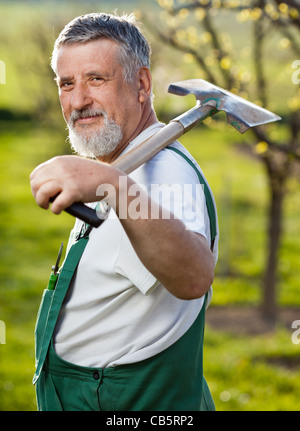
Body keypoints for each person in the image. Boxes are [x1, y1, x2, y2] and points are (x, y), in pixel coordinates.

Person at [30, 12, 219, 411]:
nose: (78, 101)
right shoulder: (124, 160)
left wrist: (112, 184)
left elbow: (193, 274)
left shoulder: (164, 173)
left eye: (96, 79)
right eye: (67, 84)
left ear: (142, 84)